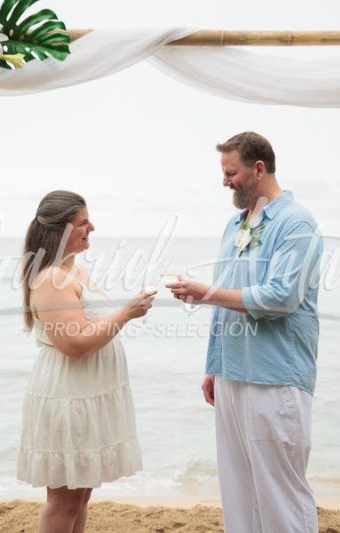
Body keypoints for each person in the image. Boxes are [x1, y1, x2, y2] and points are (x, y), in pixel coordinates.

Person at [166, 132, 323, 532]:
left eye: (230, 172)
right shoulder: (235, 224)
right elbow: (226, 299)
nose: (225, 182)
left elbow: (281, 298)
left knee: (281, 494)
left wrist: (206, 293)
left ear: (258, 169)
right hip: (232, 373)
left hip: (274, 376)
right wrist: (213, 365)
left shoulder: (296, 222)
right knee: (239, 492)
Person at [18, 190, 155, 533]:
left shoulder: (73, 269)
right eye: (83, 222)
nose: (91, 227)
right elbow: (75, 344)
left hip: (85, 394)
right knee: (64, 502)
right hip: (68, 396)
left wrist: (127, 309)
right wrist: (126, 313)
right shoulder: (52, 279)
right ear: (61, 230)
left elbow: (88, 324)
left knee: (80, 498)